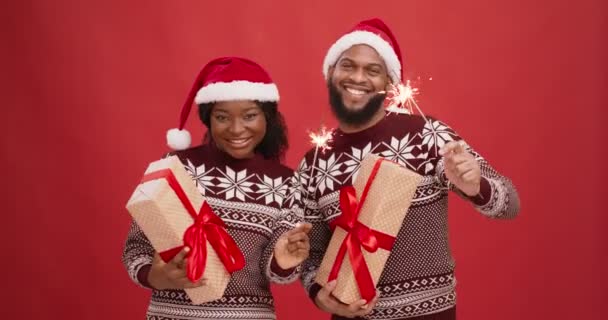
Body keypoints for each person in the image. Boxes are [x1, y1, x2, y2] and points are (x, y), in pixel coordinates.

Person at [297, 18, 520, 320]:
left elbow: (509, 203)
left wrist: (474, 185)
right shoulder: (314, 164)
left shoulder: (426, 135)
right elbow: (311, 257)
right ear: (330, 74)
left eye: (372, 70)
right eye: (347, 65)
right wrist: (321, 296)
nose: (358, 77)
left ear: (388, 83)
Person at [122, 56, 312, 320]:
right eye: (222, 117)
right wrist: (158, 277)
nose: (236, 129)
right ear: (208, 119)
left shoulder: (286, 183)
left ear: (267, 117)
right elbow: (137, 247)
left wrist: (283, 259)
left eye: (250, 116)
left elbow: (279, 271)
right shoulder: (175, 167)